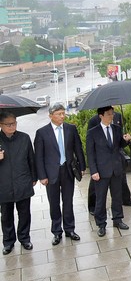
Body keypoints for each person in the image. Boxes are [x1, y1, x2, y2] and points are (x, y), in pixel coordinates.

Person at [34, 103, 86, 245]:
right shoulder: (42, 133)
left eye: (63, 113)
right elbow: (38, 157)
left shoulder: (71, 129)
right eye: (59, 114)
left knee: (68, 201)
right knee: (54, 203)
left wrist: (82, 165)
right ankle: (57, 232)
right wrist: (42, 176)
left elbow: (78, 148)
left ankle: (70, 229)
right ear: (51, 115)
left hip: (68, 170)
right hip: (51, 174)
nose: (62, 116)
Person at [86, 106, 131, 236]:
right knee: (101, 199)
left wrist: (126, 140)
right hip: (101, 171)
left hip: (116, 169)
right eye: (109, 114)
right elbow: (90, 153)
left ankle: (118, 219)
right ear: (101, 116)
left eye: (112, 114)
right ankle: (101, 224)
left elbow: (119, 145)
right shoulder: (93, 132)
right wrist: (93, 170)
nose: (112, 116)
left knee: (117, 196)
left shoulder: (116, 129)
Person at [0, 112, 36, 255]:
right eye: (8, 124)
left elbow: (31, 159)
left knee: (25, 213)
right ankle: (8, 242)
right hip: (3, 185)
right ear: (1, 125)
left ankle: (24, 238)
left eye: (14, 123)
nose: (12, 126)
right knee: (6, 215)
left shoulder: (24, 138)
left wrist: (34, 177)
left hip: (23, 181)